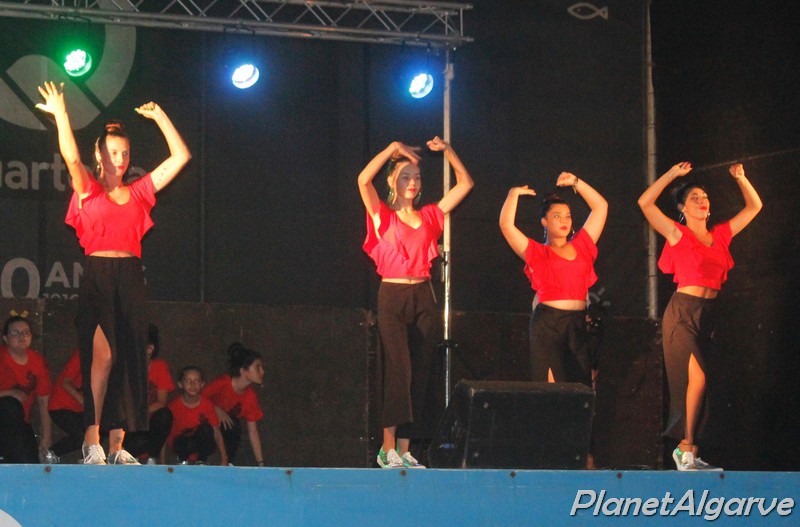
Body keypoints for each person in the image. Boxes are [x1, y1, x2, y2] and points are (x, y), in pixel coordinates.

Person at [36, 81, 191, 465]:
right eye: (112, 152)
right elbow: (71, 158)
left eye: (124, 153)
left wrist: (160, 117)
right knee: (101, 358)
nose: (119, 159)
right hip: (99, 274)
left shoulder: (139, 193)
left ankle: (118, 445)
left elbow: (180, 157)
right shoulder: (89, 189)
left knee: (126, 359)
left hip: (130, 275)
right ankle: (92, 440)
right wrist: (62, 115)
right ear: (100, 155)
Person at [638, 162, 761, 471]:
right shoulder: (677, 233)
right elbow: (645, 203)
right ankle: (684, 449)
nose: (702, 200)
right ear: (682, 208)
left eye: (704, 197)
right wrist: (671, 175)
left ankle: (690, 452)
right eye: (694, 197)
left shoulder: (720, 235)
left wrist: (742, 179)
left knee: (702, 384)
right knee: (696, 378)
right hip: (682, 312)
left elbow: (754, 207)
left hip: (708, 315)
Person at [359, 137, 474, 469]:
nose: (412, 182)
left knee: (420, 373)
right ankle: (387, 448)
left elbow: (465, 184)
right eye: (404, 176)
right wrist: (390, 149)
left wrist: (449, 151)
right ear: (392, 182)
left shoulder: (430, 216)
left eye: (417, 177)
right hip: (393, 296)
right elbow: (363, 180)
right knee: (399, 370)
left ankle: (405, 449)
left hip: (423, 296)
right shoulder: (383, 215)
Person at [499, 173, 608, 387]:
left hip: (577, 324)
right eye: (557, 216)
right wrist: (513, 195)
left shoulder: (582, 245)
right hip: (548, 324)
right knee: (550, 391)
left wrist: (576, 182)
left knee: (579, 390)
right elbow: (506, 226)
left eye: (567, 216)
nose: (564, 221)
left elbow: (601, 207)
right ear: (545, 222)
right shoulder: (537, 252)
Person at [0, 315, 53, 463]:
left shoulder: (37, 361)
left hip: (20, 424)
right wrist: (10, 393)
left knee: (29, 461)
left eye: (26, 332)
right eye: (15, 333)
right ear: (5, 338)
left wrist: (46, 437)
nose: (21, 337)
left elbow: (44, 401)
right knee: (11, 405)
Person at [204, 343, 265, 466]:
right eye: (258, 367)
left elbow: (253, 431)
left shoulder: (250, 396)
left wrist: (261, 463)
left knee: (234, 426)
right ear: (243, 370)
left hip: (224, 432)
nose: (262, 371)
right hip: (204, 425)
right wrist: (216, 408)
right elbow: (198, 397)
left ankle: (227, 464)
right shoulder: (223, 382)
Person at [125, 324, 175, 464]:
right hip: (129, 425)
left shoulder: (159, 367)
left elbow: (161, 402)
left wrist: (140, 413)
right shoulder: (125, 368)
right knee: (138, 439)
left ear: (150, 348)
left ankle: (151, 457)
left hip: (148, 421)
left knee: (165, 415)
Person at [167, 366, 227, 465]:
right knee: (185, 441)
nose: (193, 385)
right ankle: (183, 461)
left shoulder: (207, 405)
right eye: (188, 381)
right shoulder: (173, 406)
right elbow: (166, 435)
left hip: (199, 445)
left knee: (206, 429)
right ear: (180, 384)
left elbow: (216, 432)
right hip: (181, 445)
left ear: (202, 384)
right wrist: (162, 461)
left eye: (197, 381)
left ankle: (201, 461)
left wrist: (224, 458)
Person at [48, 349, 85, 459]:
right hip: (60, 406)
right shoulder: (82, 355)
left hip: (81, 409)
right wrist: (84, 402)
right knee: (82, 437)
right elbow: (66, 383)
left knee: (103, 430)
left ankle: (87, 459)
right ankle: (51, 453)